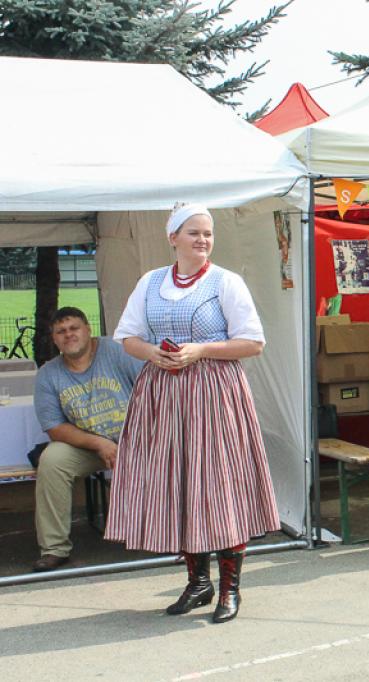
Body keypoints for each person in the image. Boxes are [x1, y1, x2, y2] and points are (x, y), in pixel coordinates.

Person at [106, 204, 279, 624]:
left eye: (207, 233)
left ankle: (230, 588)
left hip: (214, 394)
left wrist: (200, 350)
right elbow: (127, 336)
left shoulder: (225, 282)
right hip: (163, 393)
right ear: (173, 238)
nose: (203, 240)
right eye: (194, 233)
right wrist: (152, 353)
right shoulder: (151, 282)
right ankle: (198, 583)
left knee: (219, 485)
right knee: (181, 483)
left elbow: (253, 342)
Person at [30, 307, 143, 572]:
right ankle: (54, 549)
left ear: (88, 329)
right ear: (54, 339)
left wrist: (138, 438)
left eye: (74, 328)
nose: (68, 335)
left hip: (137, 439)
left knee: (176, 447)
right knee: (52, 460)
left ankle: (178, 535)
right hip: (89, 446)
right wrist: (100, 444)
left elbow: (151, 388)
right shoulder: (48, 374)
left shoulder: (115, 351)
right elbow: (55, 428)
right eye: (61, 331)